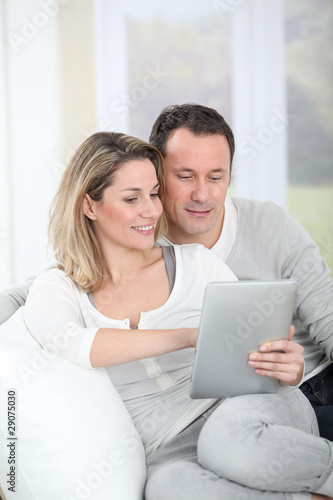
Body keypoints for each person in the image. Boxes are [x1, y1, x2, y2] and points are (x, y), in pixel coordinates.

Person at [6, 130, 331, 499]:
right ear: (90, 206)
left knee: (228, 442)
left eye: (155, 194)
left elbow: (262, 350)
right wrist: (187, 335)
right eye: (132, 198)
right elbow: (74, 345)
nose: (151, 210)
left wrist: (290, 368)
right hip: (170, 445)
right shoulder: (57, 288)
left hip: (247, 411)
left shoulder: (196, 264)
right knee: (167, 488)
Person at [148, 103, 333, 443]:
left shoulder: (270, 224)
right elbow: (62, 278)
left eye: (216, 177)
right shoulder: (138, 238)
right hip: (214, 415)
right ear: (156, 175)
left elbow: (329, 318)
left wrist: (300, 368)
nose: (202, 195)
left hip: (313, 387)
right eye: (185, 176)